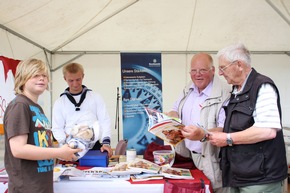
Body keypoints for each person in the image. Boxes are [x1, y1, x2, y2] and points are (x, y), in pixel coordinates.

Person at [208, 43, 288, 193]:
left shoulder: (263, 86)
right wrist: (203, 133)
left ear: (239, 65)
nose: (220, 73)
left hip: (260, 179)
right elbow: (233, 127)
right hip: (238, 175)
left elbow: (267, 131)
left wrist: (227, 138)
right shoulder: (236, 91)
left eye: (222, 68)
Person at [4, 58, 81, 193]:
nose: (41, 79)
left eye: (44, 75)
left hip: (41, 185)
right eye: (35, 75)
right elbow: (18, 149)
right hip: (27, 187)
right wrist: (59, 152)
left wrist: (64, 150)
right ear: (23, 78)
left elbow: (40, 145)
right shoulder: (20, 105)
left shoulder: (35, 107)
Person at [166, 53, 231, 193]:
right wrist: (170, 119)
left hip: (213, 160)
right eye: (194, 71)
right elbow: (175, 109)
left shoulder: (225, 94)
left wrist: (202, 134)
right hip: (189, 156)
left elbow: (225, 129)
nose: (197, 74)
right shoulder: (188, 88)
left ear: (213, 70)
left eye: (202, 70)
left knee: (217, 189)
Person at [52, 62, 113, 157]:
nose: (75, 84)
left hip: (94, 147)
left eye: (78, 79)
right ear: (65, 79)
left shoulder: (95, 97)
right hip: (70, 148)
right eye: (71, 80)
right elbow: (57, 127)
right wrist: (64, 143)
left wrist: (106, 142)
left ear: (83, 76)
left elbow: (104, 121)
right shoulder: (59, 102)